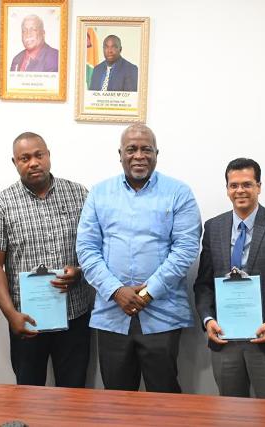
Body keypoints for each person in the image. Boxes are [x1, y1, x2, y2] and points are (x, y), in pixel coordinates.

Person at [76, 124, 201, 393]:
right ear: (120, 154)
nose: (139, 155)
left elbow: (186, 248)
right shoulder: (99, 193)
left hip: (162, 314)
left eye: (146, 149)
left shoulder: (179, 192)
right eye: (131, 149)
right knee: (117, 400)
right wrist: (116, 290)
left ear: (157, 153)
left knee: (163, 396)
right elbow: (86, 248)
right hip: (112, 313)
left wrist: (148, 292)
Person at [0, 132, 91, 388]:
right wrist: (10, 314)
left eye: (38, 155)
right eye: (24, 158)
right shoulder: (1, 204)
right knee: (28, 395)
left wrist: (80, 271)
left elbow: (96, 247)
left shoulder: (79, 195)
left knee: (74, 394)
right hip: (26, 320)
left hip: (74, 315)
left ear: (48, 155)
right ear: (15, 162)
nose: (33, 162)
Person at [193, 158, 265, 399]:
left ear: (259, 186)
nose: (240, 191)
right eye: (233, 185)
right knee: (231, 416)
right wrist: (207, 319)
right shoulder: (213, 227)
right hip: (225, 340)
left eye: (247, 184)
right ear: (227, 189)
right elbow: (203, 284)